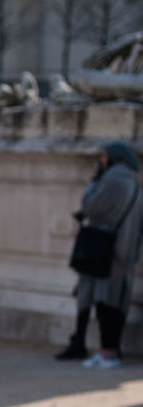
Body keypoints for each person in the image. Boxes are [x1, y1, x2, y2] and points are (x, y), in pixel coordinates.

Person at [67, 141, 143, 369]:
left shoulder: (113, 179)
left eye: (103, 156)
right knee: (113, 301)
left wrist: (92, 182)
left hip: (107, 249)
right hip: (124, 249)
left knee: (105, 302)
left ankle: (108, 353)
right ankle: (107, 350)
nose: (101, 161)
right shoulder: (133, 181)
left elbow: (90, 205)